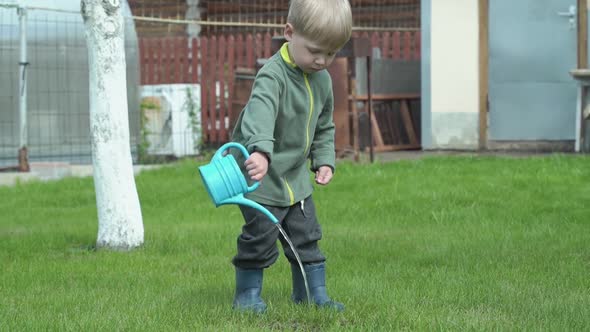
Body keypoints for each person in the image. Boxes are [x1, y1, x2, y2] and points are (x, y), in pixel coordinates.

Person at [229, 0, 353, 313]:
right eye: (315, 50)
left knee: (307, 237)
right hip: (262, 177)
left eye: (331, 52)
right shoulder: (273, 76)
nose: (322, 60)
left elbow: (324, 126)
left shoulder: (322, 80)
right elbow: (259, 114)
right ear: (289, 33)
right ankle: (246, 298)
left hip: (295, 180)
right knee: (260, 238)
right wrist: (260, 151)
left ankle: (312, 296)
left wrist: (324, 159)